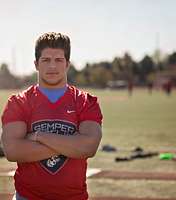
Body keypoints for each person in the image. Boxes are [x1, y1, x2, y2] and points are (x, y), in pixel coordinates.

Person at [1, 32, 103, 200]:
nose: (52, 66)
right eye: (46, 60)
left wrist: (37, 136)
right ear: (36, 64)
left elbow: (88, 148)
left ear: (67, 64)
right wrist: (71, 145)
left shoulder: (85, 102)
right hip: (28, 196)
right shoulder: (19, 102)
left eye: (58, 60)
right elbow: (12, 151)